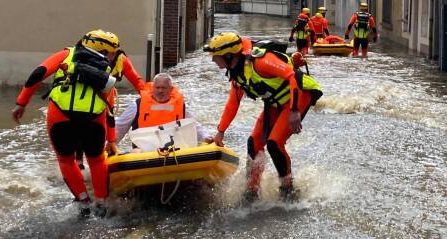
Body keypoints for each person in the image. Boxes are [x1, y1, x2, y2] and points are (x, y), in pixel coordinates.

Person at [12, 29, 126, 217]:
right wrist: (111, 140)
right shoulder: (106, 69)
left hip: (60, 117)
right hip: (94, 119)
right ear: (104, 51)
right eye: (113, 52)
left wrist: (21, 103)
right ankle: (102, 203)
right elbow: (110, 109)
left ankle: (83, 202)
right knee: (97, 160)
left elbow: (38, 73)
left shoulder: (66, 54)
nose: (114, 56)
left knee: (66, 160)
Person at [203, 31, 323, 200]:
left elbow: (292, 76)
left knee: (274, 144)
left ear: (229, 56)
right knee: (253, 143)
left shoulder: (260, 61)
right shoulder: (237, 73)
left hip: (299, 95)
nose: (213, 60)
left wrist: (295, 111)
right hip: (275, 102)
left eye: (216, 56)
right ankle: (252, 190)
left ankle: (288, 189)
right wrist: (220, 132)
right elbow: (232, 104)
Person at [114, 73, 214, 148]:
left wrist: (206, 137)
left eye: (164, 88)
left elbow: (194, 125)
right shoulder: (137, 105)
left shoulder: (180, 106)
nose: (160, 91)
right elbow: (120, 127)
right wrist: (111, 143)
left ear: (171, 90)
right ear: (153, 88)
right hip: (144, 152)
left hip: (174, 149)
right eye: (157, 88)